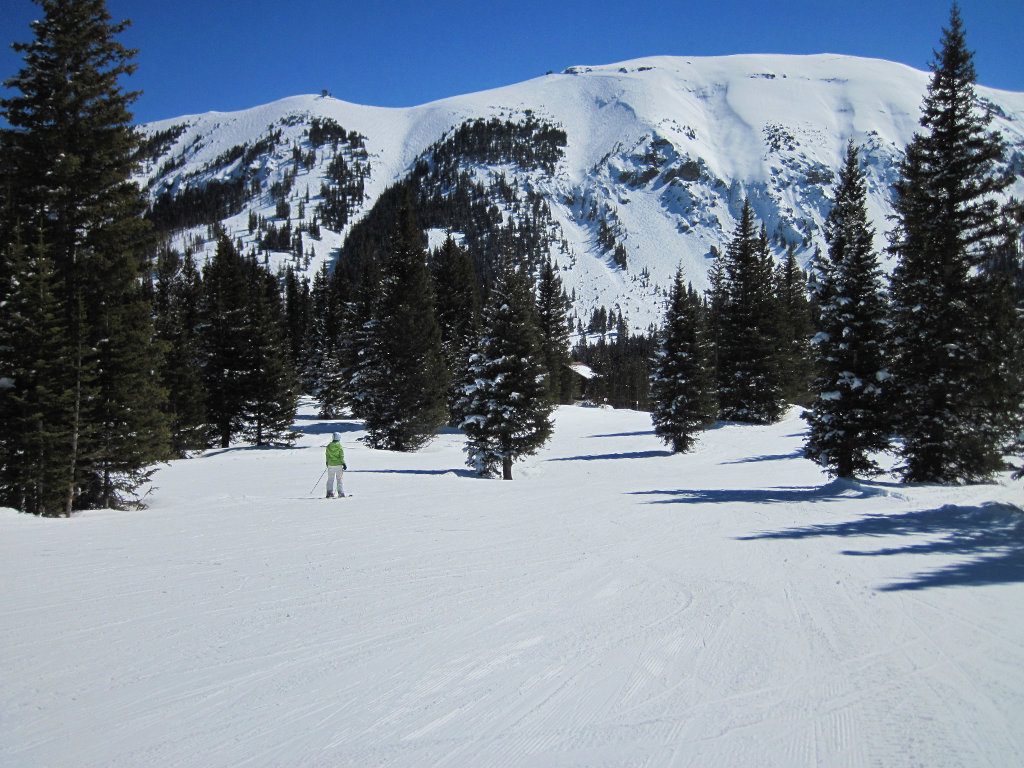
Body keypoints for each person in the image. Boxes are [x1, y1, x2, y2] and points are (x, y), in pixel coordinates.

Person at [325, 432, 347, 498]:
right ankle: (340, 493)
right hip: (338, 465)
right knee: (339, 479)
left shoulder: (329, 446)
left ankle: (329, 492)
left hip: (330, 465)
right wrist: (344, 463)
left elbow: (327, 455)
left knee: (330, 479)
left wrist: (327, 462)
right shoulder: (339, 446)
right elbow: (341, 456)